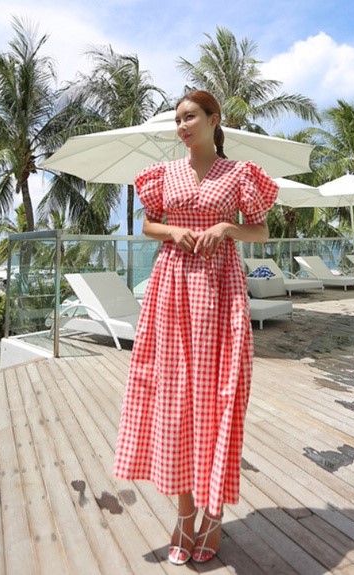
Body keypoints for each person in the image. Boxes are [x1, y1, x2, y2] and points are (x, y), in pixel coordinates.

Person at [113, 90, 279, 565]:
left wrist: (226, 229)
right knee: (175, 398)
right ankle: (185, 516)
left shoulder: (240, 174)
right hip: (172, 288)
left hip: (221, 289)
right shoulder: (163, 174)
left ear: (213, 119)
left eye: (190, 117)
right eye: (178, 120)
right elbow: (150, 225)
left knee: (217, 398)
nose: (182, 126)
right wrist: (173, 231)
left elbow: (261, 231)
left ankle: (213, 516)